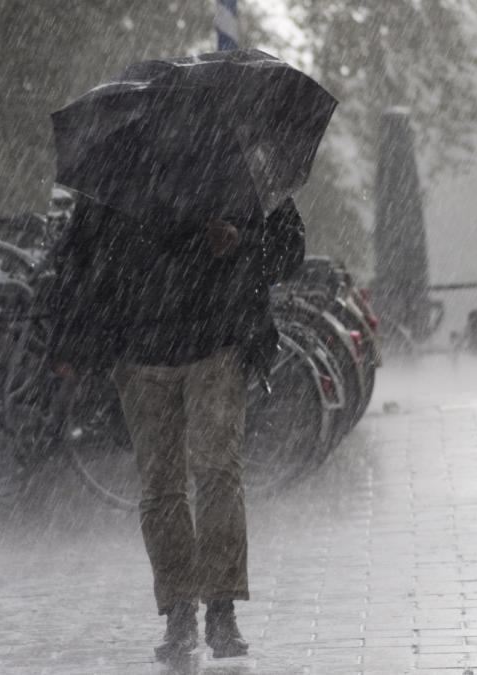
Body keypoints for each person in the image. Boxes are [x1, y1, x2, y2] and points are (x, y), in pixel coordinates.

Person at [48, 195, 304, 661]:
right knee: (162, 486)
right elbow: (80, 258)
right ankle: (180, 611)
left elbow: (288, 252)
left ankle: (221, 610)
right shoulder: (116, 176)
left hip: (218, 342)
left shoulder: (238, 164)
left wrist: (241, 242)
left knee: (217, 474)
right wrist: (71, 340)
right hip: (140, 350)